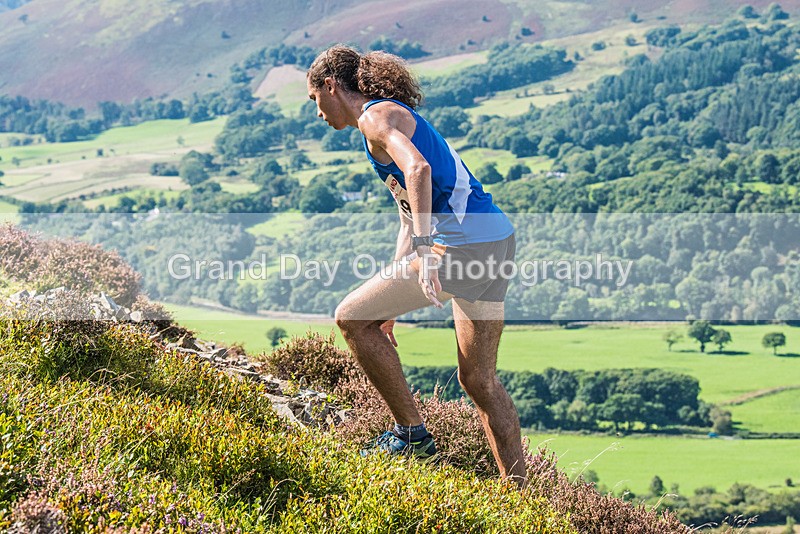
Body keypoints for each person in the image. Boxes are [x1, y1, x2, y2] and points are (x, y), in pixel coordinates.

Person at [306, 44, 527, 486]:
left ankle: (412, 436)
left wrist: (426, 251)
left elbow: (419, 171)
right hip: (497, 241)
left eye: (314, 99)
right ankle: (521, 495)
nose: (317, 113)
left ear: (331, 85)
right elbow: (409, 206)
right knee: (479, 380)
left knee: (350, 318)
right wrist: (393, 285)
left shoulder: (373, 117)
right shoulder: (388, 115)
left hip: (461, 247)